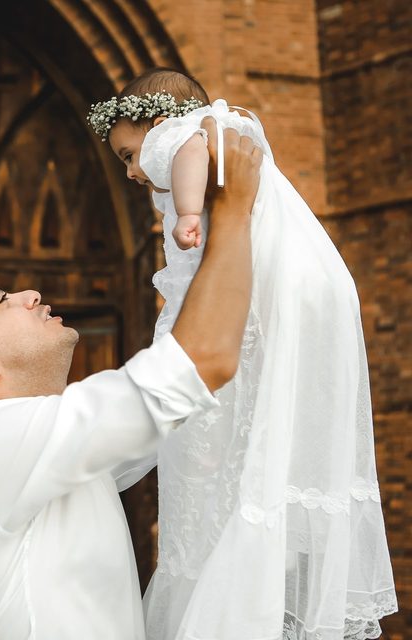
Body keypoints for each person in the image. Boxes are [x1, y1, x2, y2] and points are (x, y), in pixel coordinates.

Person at [0, 124, 263, 638]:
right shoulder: (0, 438)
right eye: (2, 300)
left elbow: (184, 399)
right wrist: (234, 210)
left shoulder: (35, 448)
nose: (29, 294)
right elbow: (202, 362)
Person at [91, 67, 396, 639]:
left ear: (156, 122)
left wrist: (186, 212)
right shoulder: (237, 125)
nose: (133, 170)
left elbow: (186, 153)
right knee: (273, 399)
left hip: (269, 285)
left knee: (230, 406)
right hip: (315, 285)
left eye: (129, 153)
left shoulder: (180, 138)